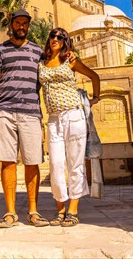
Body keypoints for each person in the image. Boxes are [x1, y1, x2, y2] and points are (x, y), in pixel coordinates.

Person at [0, 9, 50, 228]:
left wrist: (70, 55)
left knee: (33, 161)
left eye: (25, 23)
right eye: (18, 23)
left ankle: (33, 211)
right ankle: (10, 212)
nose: (21, 26)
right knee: (8, 161)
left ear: (28, 26)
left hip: (31, 112)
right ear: (11, 25)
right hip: (5, 111)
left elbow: (53, 68)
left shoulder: (37, 52)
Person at [38, 27, 100, 227]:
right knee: (56, 164)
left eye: (60, 37)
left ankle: (72, 210)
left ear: (66, 42)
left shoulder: (70, 60)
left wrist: (95, 99)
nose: (55, 39)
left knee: (75, 164)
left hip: (73, 115)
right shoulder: (41, 63)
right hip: (54, 119)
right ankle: (60, 208)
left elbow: (94, 76)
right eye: (53, 36)